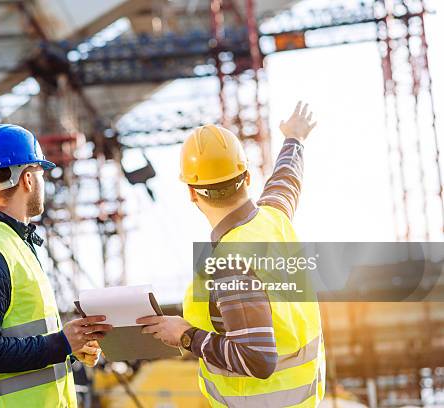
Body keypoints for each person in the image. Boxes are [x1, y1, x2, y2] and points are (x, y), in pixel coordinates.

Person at [138, 102, 325, 407]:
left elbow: (257, 360)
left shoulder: (231, 262)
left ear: (192, 193)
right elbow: (286, 182)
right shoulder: (272, 220)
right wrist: (294, 139)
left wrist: (186, 335)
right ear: (248, 178)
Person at [0, 124, 112, 407]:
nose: (43, 182)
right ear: (28, 179)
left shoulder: (10, 244)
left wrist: (69, 349)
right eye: (42, 174)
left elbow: (21, 336)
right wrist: (62, 343)